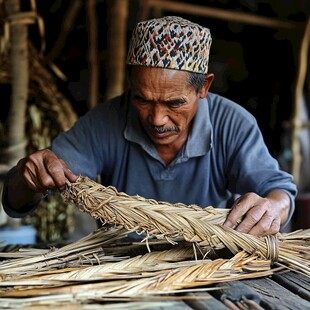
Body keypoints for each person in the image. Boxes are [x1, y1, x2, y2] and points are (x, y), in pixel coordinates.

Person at [2, 16, 297, 236]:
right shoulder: (106, 120)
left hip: (205, 267)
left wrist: (273, 207)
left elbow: (279, 192)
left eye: (174, 104)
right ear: (131, 86)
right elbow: (20, 196)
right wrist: (27, 179)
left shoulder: (233, 124)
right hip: (123, 268)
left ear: (203, 87)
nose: (156, 119)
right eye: (142, 99)